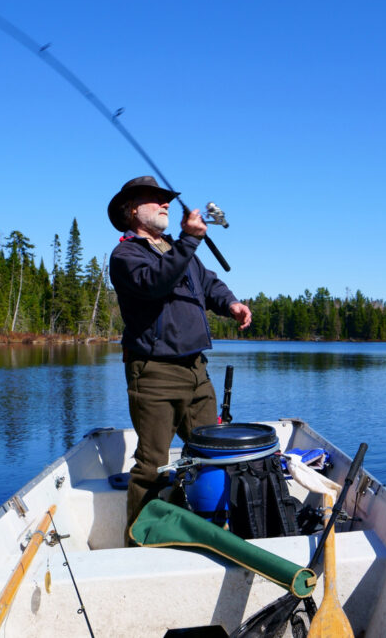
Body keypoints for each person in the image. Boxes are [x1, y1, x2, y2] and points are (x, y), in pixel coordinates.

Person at [107, 175, 252, 543]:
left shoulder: (178, 251)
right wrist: (189, 241)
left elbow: (209, 284)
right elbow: (156, 282)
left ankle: (208, 531)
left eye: (167, 199)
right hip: (154, 373)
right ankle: (140, 542)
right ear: (132, 210)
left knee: (211, 456)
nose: (165, 204)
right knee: (152, 465)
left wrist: (230, 304)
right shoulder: (126, 255)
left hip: (196, 371)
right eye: (155, 199)